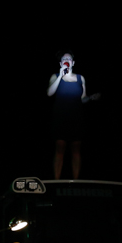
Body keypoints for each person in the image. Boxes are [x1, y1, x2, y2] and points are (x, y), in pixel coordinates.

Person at [47, 51, 100, 179]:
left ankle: (76, 181)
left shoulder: (80, 78)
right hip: (60, 117)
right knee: (60, 148)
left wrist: (91, 98)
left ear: (73, 63)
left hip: (76, 118)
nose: (66, 60)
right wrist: (60, 76)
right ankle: (56, 181)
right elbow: (49, 93)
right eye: (64, 59)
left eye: (69, 58)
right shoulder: (55, 76)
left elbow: (83, 98)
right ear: (61, 63)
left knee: (76, 150)